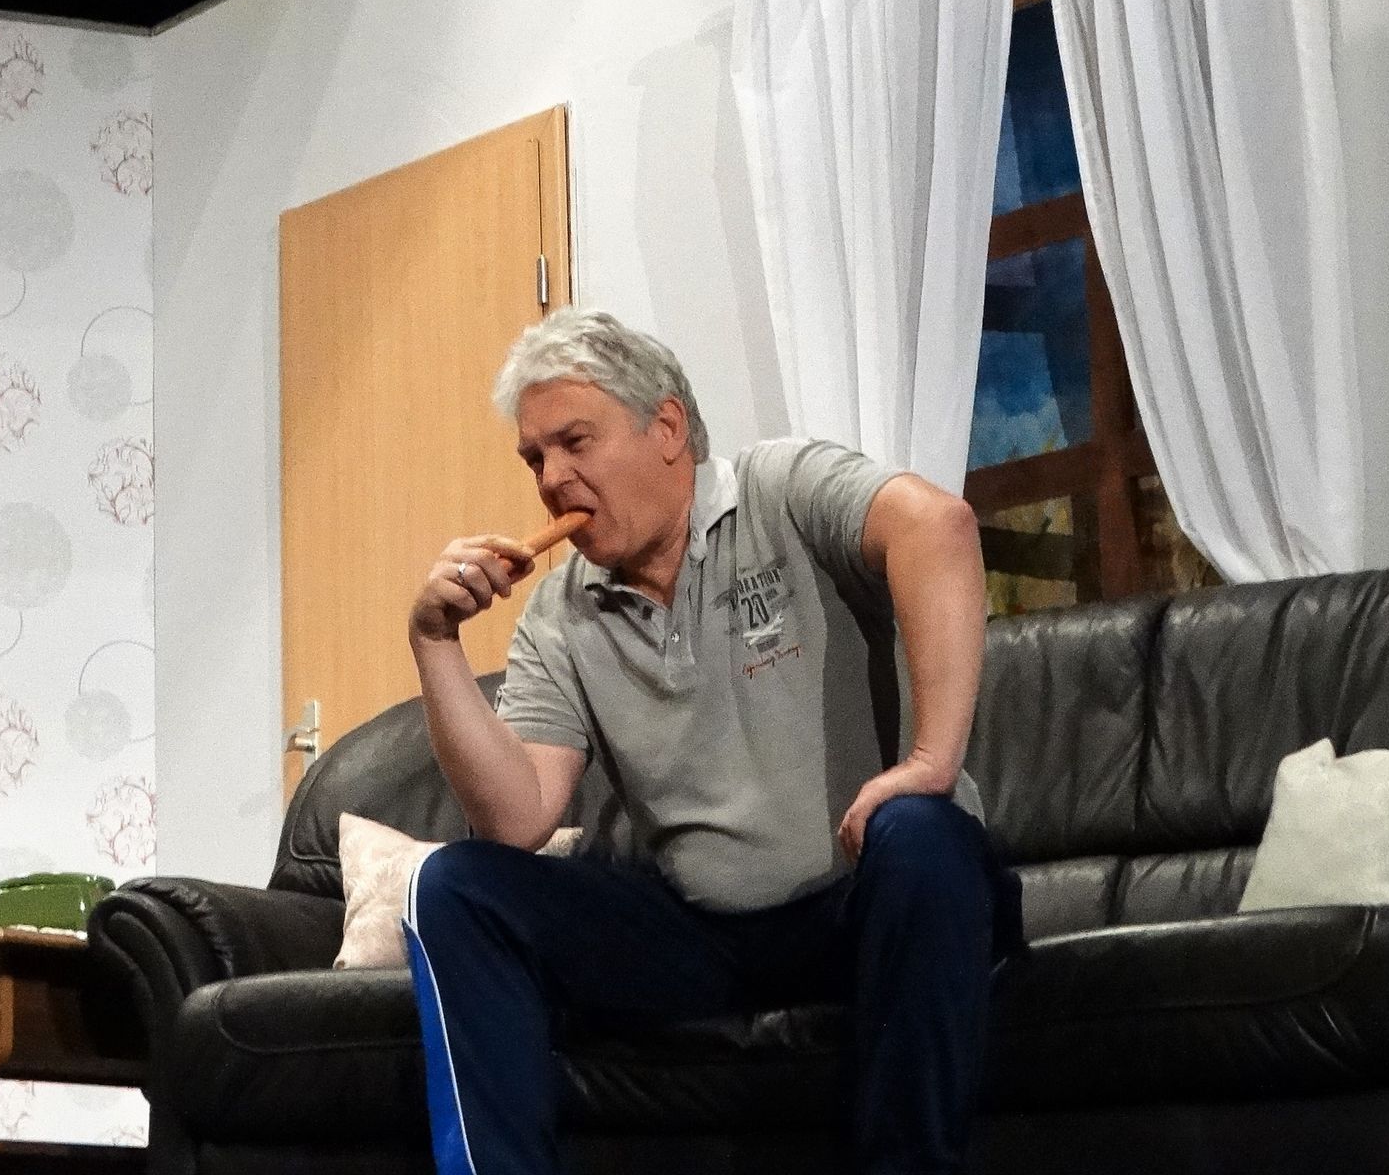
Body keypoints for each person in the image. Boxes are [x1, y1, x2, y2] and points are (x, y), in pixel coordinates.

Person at [402, 307, 1022, 1175]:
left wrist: (929, 763)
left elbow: (938, 527)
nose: (551, 478)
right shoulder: (560, 612)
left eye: (574, 442)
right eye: (534, 458)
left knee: (921, 834)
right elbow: (518, 818)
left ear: (666, 428)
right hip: (707, 936)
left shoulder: (778, 488)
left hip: (871, 902)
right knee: (456, 885)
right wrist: (435, 641)